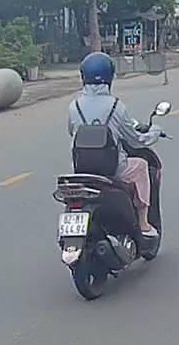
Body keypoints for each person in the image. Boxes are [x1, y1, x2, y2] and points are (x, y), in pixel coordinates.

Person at [67, 53, 161, 237]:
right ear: (110, 77)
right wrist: (154, 133)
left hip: (82, 170)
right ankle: (143, 222)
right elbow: (135, 140)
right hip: (113, 169)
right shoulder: (116, 106)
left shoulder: (74, 106)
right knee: (141, 166)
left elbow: (72, 131)